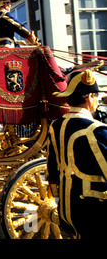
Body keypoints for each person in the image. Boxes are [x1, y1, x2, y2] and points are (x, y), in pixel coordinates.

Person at [47, 70, 107, 239]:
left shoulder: (56, 125)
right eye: (96, 96)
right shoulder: (97, 130)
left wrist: (58, 198)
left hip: (68, 208)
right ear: (89, 97)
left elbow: (52, 170)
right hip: (95, 210)